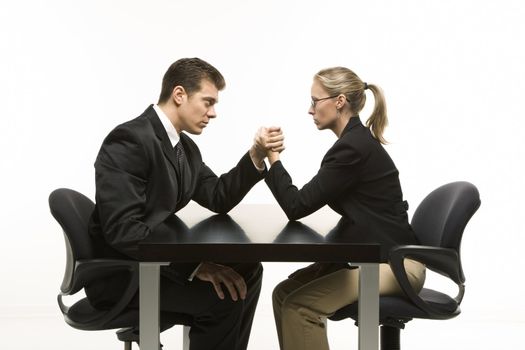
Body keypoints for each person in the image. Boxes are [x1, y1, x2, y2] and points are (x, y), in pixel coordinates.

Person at [87, 57, 283, 350]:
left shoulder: (185, 149)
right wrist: (195, 266)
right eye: (207, 102)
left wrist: (256, 155)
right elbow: (124, 231)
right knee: (223, 301)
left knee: (249, 269)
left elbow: (217, 196)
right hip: (126, 275)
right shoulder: (130, 139)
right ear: (179, 95)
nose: (213, 113)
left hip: (154, 264)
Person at [256, 66, 426, 350]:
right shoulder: (353, 143)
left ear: (339, 101)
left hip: (397, 267)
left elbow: (297, 205)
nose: (310, 110)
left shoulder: (352, 149)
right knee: (284, 294)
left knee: (300, 306)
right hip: (384, 258)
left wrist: (272, 159)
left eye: (315, 101)